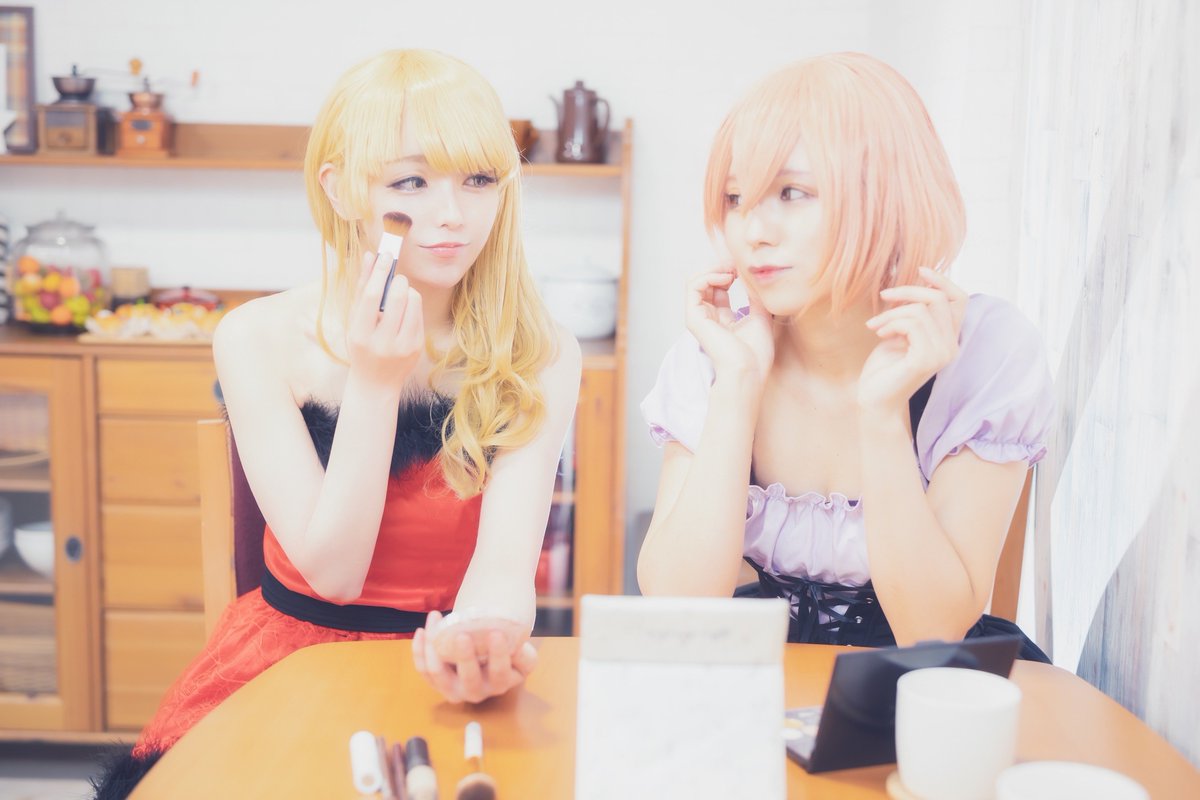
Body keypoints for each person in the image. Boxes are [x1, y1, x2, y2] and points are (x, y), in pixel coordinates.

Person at [94, 49, 580, 796]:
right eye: (411, 182)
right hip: (291, 663)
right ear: (342, 187)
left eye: (479, 180)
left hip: (445, 666)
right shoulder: (257, 336)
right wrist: (376, 382)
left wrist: (484, 643)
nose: (453, 214)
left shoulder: (540, 352)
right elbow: (335, 573)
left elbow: (502, 570)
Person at [637, 52, 1053, 661]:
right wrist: (737, 386)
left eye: (792, 192)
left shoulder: (983, 352)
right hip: (762, 680)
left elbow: (933, 631)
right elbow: (678, 606)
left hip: (927, 687)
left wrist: (882, 414)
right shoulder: (719, 353)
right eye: (735, 198)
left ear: (887, 196)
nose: (753, 231)